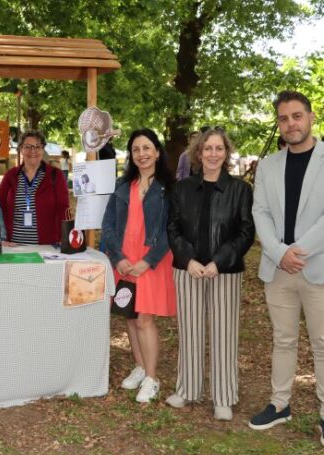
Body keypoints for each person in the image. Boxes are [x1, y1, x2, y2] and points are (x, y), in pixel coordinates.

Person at [250, 91, 324, 443]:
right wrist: (280, 253)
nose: (290, 123)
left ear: (311, 117)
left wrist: (298, 252)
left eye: (297, 116)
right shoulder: (268, 166)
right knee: (283, 339)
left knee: (322, 342)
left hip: (318, 266)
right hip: (278, 268)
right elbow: (260, 212)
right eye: (283, 118)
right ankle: (280, 404)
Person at [167, 127, 255, 421]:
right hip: (188, 270)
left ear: (226, 153)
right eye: (208, 148)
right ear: (198, 152)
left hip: (225, 271)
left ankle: (223, 397)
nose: (213, 154)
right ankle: (187, 389)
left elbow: (246, 231)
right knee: (190, 331)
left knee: (224, 333)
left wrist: (220, 261)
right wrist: (188, 259)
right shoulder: (182, 188)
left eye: (219, 148)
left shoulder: (240, 190)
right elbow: (173, 228)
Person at [102, 128, 176, 403]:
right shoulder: (123, 186)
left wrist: (148, 261)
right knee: (130, 315)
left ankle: (152, 378)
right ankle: (140, 366)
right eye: (136, 149)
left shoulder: (169, 188)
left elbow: (171, 229)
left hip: (151, 262)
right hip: (124, 260)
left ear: (157, 152)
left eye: (146, 148)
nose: (141, 154)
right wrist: (117, 258)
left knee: (144, 318)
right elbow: (108, 224)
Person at [0, 130, 69, 245]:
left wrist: (65, 239)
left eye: (37, 146)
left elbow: (63, 209)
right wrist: (1, 238)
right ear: (21, 149)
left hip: (46, 247)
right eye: (28, 146)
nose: (33, 151)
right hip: (14, 246)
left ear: (43, 149)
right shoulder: (10, 176)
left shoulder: (55, 175)